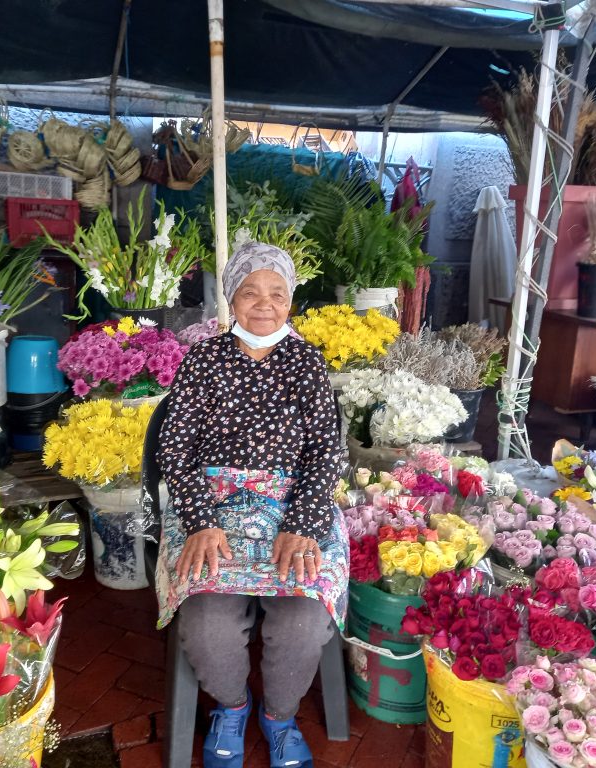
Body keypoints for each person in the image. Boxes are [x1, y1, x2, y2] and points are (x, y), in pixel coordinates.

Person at [154, 242, 349, 768]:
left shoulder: (306, 362)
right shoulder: (204, 359)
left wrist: (303, 524)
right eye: (249, 293)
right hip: (211, 509)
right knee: (207, 624)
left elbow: (326, 451)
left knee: (304, 622)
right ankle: (232, 709)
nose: (264, 305)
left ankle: (279, 718)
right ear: (230, 299)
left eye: (277, 295)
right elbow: (175, 447)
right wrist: (200, 521)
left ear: (291, 302)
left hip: (292, 509)